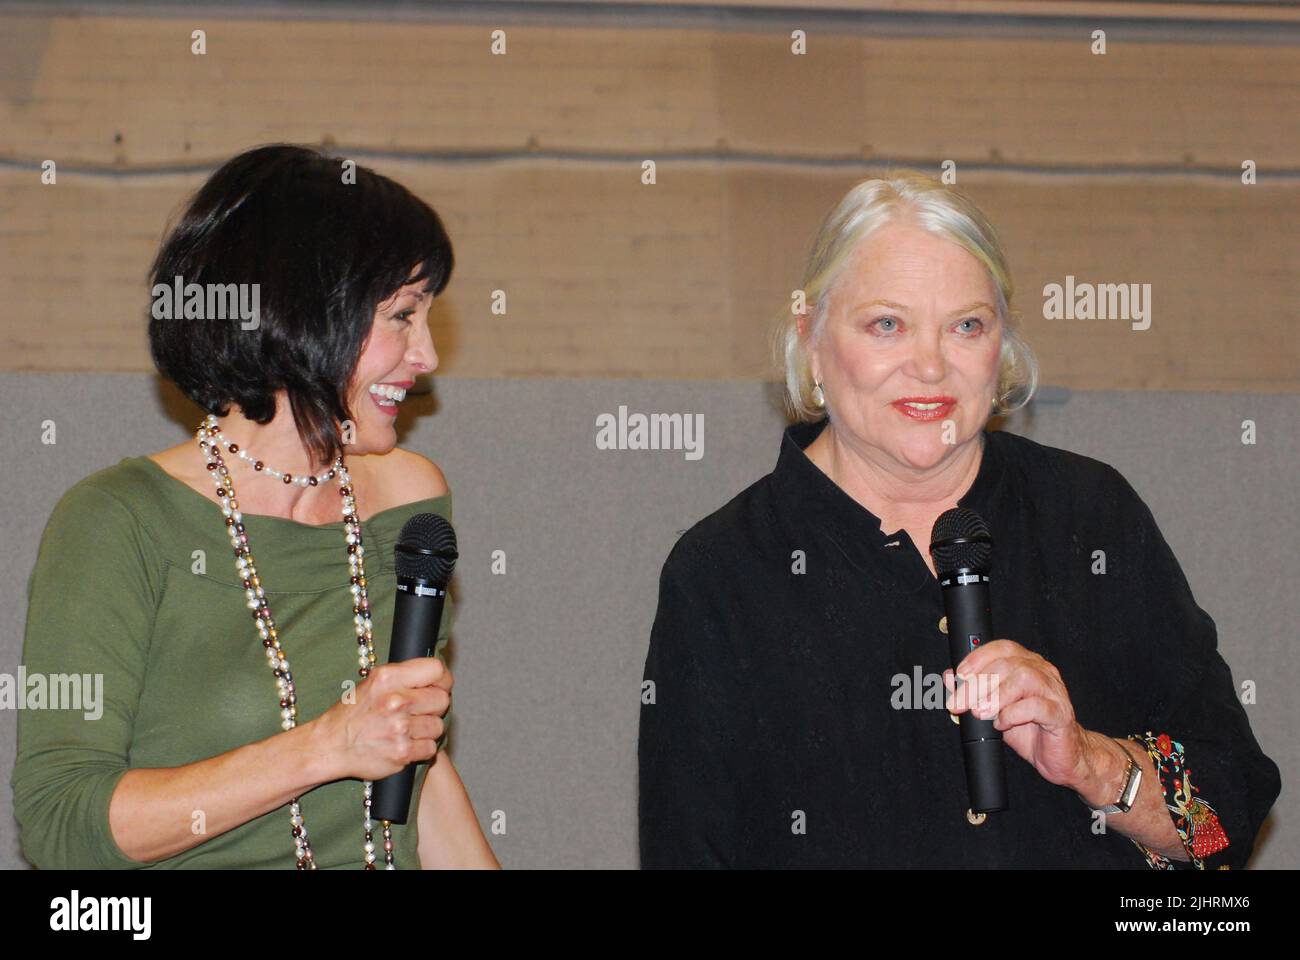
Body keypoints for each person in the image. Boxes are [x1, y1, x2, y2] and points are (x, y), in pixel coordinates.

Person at [637, 170, 1281, 869]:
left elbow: (1226, 823)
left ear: (1000, 347)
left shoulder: (1091, 517)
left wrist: (1091, 763)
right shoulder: (725, 573)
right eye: (887, 324)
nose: (930, 365)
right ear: (812, 339)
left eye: (966, 326)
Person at [12, 144, 499, 869]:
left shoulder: (410, 500)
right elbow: (61, 824)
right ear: (302, 314)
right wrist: (330, 745)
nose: (426, 355)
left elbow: (415, 767)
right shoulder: (118, 521)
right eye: (402, 315)